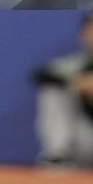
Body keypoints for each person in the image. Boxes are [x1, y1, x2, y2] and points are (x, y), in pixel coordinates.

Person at [34, 13, 93, 168]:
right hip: (85, 140)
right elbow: (42, 74)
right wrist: (77, 82)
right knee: (53, 90)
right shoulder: (77, 64)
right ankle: (57, 157)